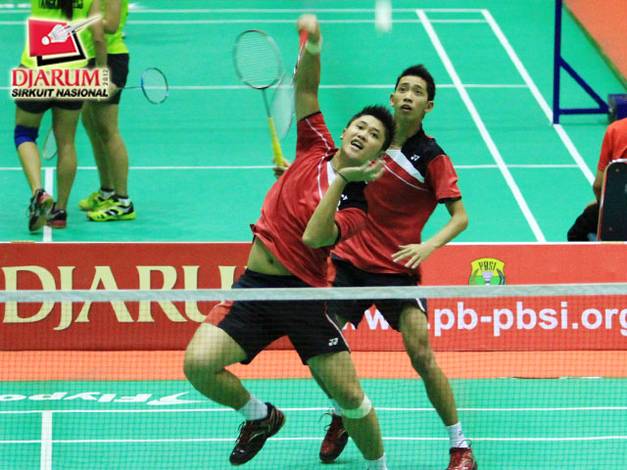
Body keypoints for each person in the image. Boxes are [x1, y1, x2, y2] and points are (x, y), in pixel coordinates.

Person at [183, 15, 395, 469]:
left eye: (375, 135)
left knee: (351, 399)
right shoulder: (314, 144)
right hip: (256, 289)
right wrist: (312, 45)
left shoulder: (359, 207)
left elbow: (314, 235)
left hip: (304, 298)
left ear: (379, 155)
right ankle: (260, 416)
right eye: (359, 126)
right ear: (344, 131)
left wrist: (342, 179)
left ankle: (379, 465)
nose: (363, 134)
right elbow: (307, 90)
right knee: (197, 364)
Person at [311, 65, 477, 470]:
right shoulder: (372, 142)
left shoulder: (432, 157)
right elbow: (330, 174)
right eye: (402, 89)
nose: (408, 96)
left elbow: (460, 217)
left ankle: (460, 446)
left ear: (428, 106)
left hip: (397, 270)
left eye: (417, 92)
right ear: (392, 97)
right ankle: (345, 414)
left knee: (421, 354)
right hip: (350, 263)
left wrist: (427, 246)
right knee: (317, 345)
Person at [14, 0, 106, 232]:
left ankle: (38, 192)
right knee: (66, 142)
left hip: (36, 70)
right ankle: (60, 211)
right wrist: (102, 73)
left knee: (24, 134)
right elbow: (98, 37)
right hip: (74, 73)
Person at [80, 0, 136, 222]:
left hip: (110, 58)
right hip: (91, 56)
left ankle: (123, 202)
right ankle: (106, 191)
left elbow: (111, 25)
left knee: (108, 131)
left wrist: (79, 22)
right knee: (92, 126)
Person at [567, 117, 627, 241]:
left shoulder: (616, 130)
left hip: (620, 213)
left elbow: (598, 186)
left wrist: (603, 203)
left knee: (576, 233)